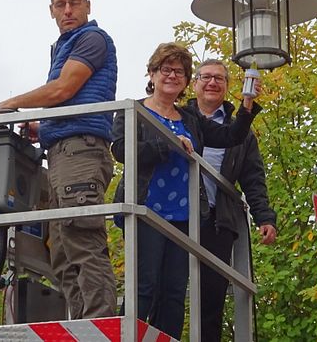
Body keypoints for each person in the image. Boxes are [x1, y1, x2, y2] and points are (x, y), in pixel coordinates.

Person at [110, 43, 261, 339]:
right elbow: (120, 149)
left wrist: (246, 104)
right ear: (152, 74)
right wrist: (168, 143)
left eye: (179, 71)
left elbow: (232, 135)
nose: (172, 75)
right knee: (145, 285)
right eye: (165, 69)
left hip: (183, 216)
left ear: (185, 80)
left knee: (175, 293)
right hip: (146, 210)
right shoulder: (133, 110)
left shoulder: (191, 119)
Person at [0, 0, 117, 319]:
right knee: (62, 252)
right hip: (65, 152)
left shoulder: (91, 39)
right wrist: (43, 127)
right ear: (51, 11)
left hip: (81, 154)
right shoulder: (67, 45)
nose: (68, 10)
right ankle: (80, 324)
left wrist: (12, 103)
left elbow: (63, 89)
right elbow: (69, 99)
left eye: (74, 3)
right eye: (60, 5)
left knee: (83, 240)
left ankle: (99, 324)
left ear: (88, 6)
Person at [184, 59, 277, 342]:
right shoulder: (179, 117)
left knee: (212, 297)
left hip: (217, 219)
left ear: (226, 87)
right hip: (180, 213)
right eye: (206, 77)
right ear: (195, 83)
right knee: (169, 287)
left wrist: (264, 217)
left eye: (219, 79)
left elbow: (253, 178)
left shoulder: (241, 132)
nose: (212, 83)